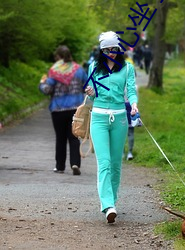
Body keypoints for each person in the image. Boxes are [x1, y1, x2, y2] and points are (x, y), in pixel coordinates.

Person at [85, 31, 138, 223]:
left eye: (114, 49)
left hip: (120, 119)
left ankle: (112, 201)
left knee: (116, 164)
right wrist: (90, 92)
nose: (111, 53)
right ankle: (107, 205)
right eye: (107, 50)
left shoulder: (127, 68)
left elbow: (131, 90)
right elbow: (91, 97)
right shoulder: (93, 67)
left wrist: (133, 104)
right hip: (98, 118)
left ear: (118, 49)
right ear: (101, 50)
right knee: (104, 163)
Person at [39, 45, 88, 175]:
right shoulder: (79, 70)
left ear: (58, 57)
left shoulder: (54, 71)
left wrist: (42, 83)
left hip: (58, 109)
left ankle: (60, 166)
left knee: (60, 138)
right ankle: (75, 163)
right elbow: (87, 86)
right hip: (75, 109)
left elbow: (47, 90)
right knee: (74, 137)